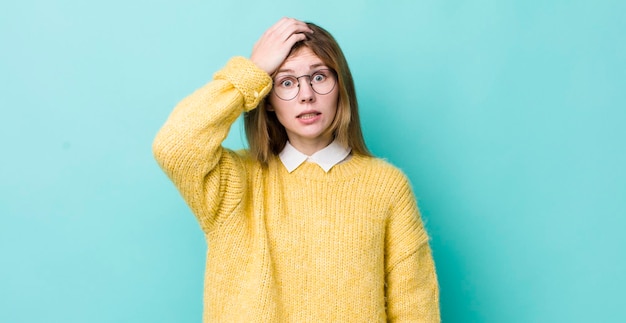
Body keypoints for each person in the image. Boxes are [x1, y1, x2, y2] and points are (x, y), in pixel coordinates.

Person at [153, 17, 440, 322]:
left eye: (319, 77)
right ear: (268, 101)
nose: (306, 95)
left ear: (341, 87)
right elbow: (175, 145)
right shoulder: (235, 182)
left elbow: (415, 309)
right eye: (286, 82)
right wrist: (252, 72)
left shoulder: (386, 186)